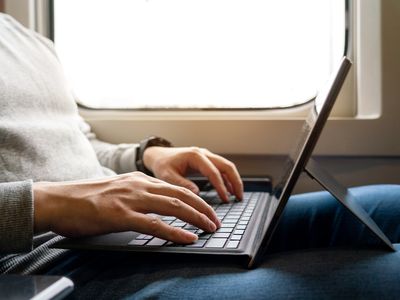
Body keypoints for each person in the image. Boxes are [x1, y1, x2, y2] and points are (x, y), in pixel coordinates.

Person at [1, 13, 400, 298]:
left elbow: (80, 143)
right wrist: (44, 203)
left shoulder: (30, 41)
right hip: (48, 269)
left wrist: (146, 157)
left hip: (125, 232)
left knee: (391, 204)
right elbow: (53, 190)